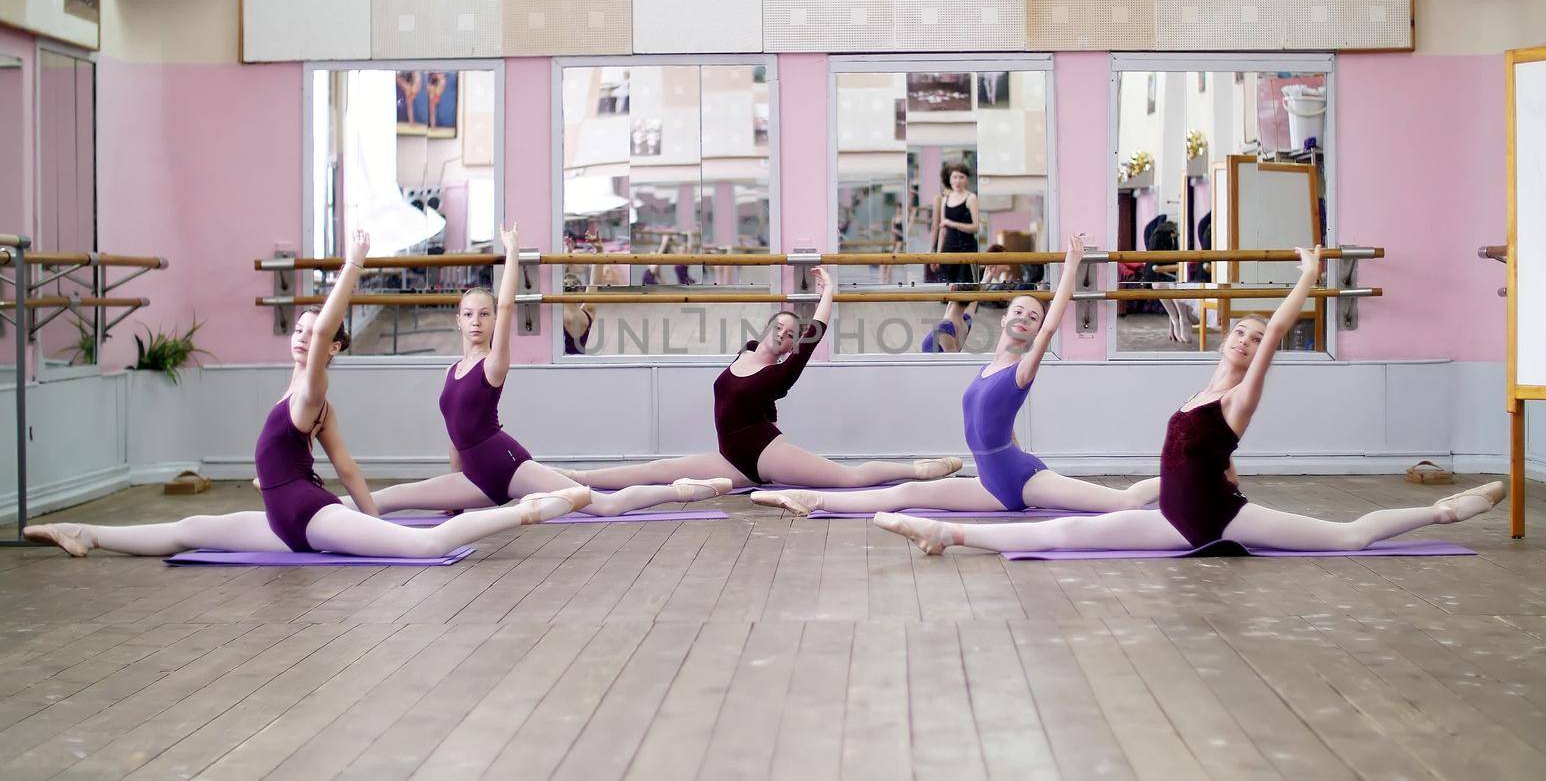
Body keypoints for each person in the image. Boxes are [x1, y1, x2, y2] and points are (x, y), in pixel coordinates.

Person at [875, 244, 1506, 555]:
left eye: (1255, 339)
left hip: (1216, 521)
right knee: (1061, 533)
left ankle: (1446, 512)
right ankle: (942, 534)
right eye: (1239, 330)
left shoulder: (1238, 399)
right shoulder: (1201, 387)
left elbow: (1278, 332)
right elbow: (1200, 455)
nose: (1245, 339)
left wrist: (1309, 277)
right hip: (1175, 514)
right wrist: (1228, 470)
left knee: (1345, 537)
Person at [22, 230, 590, 558]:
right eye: (296, 329)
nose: (303, 336)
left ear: (331, 349)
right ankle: (87, 533)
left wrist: (353, 265)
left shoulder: (312, 391)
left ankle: (528, 511)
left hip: (308, 516)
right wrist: (374, 515)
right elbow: (348, 469)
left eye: (311, 333)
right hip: (279, 520)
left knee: (425, 548)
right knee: (188, 531)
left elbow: (324, 338)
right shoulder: (298, 395)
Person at [757, 239, 1157, 516]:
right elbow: (998, 425)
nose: (1025, 318)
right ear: (1003, 318)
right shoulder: (986, 369)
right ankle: (811, 500)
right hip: (989, 484)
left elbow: (1053, 325)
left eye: (1032, 317)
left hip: (1023, 481)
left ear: (1035, 331)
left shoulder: (1023, 367)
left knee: (1121, 502)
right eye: (1018, 311)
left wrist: (1070, 267)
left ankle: (1188, 478)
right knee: (907, 493)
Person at [357, 225, 732, 517]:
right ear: (457, 321)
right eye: (469, 315)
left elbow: (507, 308)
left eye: (483, 315)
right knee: (391, 497)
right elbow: (454, 438)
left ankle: (684, 489)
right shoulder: (452, 371)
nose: (477, 322)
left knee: (600, 505)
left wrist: (513, 253)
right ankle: (319, 511)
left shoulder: (493, 364)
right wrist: (456, 494)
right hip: (474, 479)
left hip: (508, 466)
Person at [553, 267, 965, 489]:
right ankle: (579, 478)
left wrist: (828, 294)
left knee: (848, 477)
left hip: (766, 451)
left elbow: (813, 337)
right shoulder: (745, 353)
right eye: (779, 328)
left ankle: (917, 470)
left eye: (789, 335)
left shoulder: (777, 374)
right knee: (659, 469)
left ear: (789, 346)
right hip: (730, 458)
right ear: (766, 330)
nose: (784, 335)